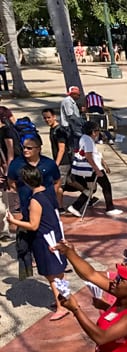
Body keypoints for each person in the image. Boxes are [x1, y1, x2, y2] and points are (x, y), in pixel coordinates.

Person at [4, 166, 68, 320]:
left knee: (52, 275)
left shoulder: (35, 200)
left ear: (26, 182)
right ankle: (65, 301)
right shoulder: (48, 192)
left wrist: (14, 221)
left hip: (45, 240)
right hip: (55, 235)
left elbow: (33, 225)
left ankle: (61, 306)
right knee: (59, 273)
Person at [67, 121, 121, 217]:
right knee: (106, 186)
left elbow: (95, 154)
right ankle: (110, 208)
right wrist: (97, 170)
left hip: (89, 169)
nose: (98, 133)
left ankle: (76, 206)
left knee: (90, 189)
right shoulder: (88, 141)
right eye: (97, 131)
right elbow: (89, 156)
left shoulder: (84, 138)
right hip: (93, 168)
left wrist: (104, 164)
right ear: (93, 132)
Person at [5, 134, 61, 215]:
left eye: (29, 148)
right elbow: (11, 181)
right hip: (27, 205)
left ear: (38, 149)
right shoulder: (16, 164)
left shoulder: (49, 163)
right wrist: (22, 192)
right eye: (23, 147)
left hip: (49, 205)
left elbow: (57, 181)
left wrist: (51, 195)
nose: (25, 150)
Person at [41, 107, 78, 207]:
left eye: (49, 117)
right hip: (61, 161)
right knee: (66, 183)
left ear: (54, 117)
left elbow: (61, 149)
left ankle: (57, 206)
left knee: (57, 184)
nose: (47, 120)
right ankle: (60, 206)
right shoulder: (52, 129)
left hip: (64, 161)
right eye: (45, 118)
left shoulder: (59, 131)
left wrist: (56, 164)